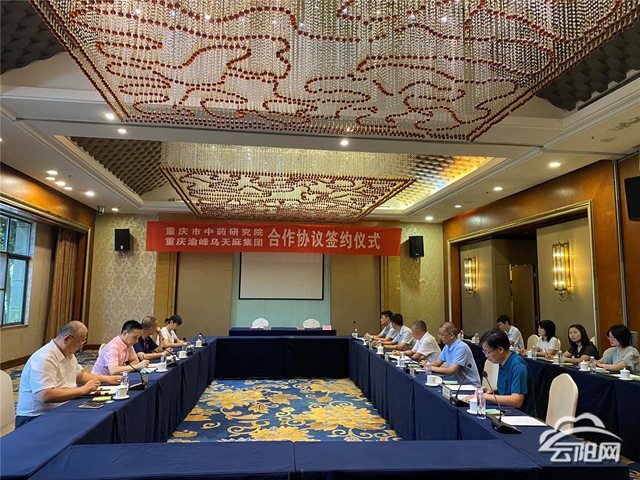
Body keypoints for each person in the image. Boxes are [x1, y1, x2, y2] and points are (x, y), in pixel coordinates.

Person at [15, 321, 120, 428]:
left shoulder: (68, 353)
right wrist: (82, 390)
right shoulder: (45, 358)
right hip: (35, 417)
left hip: (61, 408)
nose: (81, 346)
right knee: (87, 425)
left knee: (99, 417)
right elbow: (46, 395)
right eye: (80, 342)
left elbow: (80, 376)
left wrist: (107, 379)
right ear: (67, 339)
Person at [467, 328, 536, 416]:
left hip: (520, 416)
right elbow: (507, 386)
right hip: (505, 410)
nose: (486, 356)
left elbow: (517, 401)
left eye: (488, 352)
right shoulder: (503, 362)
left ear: (500, 349)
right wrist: (491, 391)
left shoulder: (518, 366)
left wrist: (485, 397)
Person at [423, 322, 481, 387]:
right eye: (439, 335)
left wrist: (430, 368)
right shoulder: (447, 346)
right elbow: (437, 363)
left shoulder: (461, 347)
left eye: (442, 335)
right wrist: (426, 364)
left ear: (451, 335)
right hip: (456, 383)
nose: (440, 338)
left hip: (470, 386)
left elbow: (451, 371)